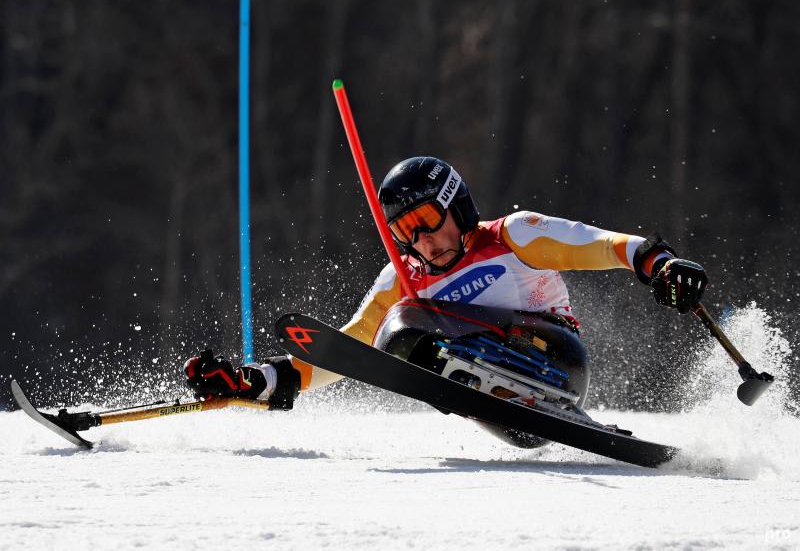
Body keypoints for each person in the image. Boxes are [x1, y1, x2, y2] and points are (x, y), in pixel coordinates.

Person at [183, 156, 707, 411]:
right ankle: (463, 376)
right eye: (404, 233)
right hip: (483, 385)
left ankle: (478, 370)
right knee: (394, 328)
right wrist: (265, 380)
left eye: (428, 221)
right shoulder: (404, 277)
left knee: (406, 325)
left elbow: (604, 246)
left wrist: (658, 263)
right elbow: (349, 348)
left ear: (457, 207)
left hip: (555, 361)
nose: (423, 243)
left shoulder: (514, 236)